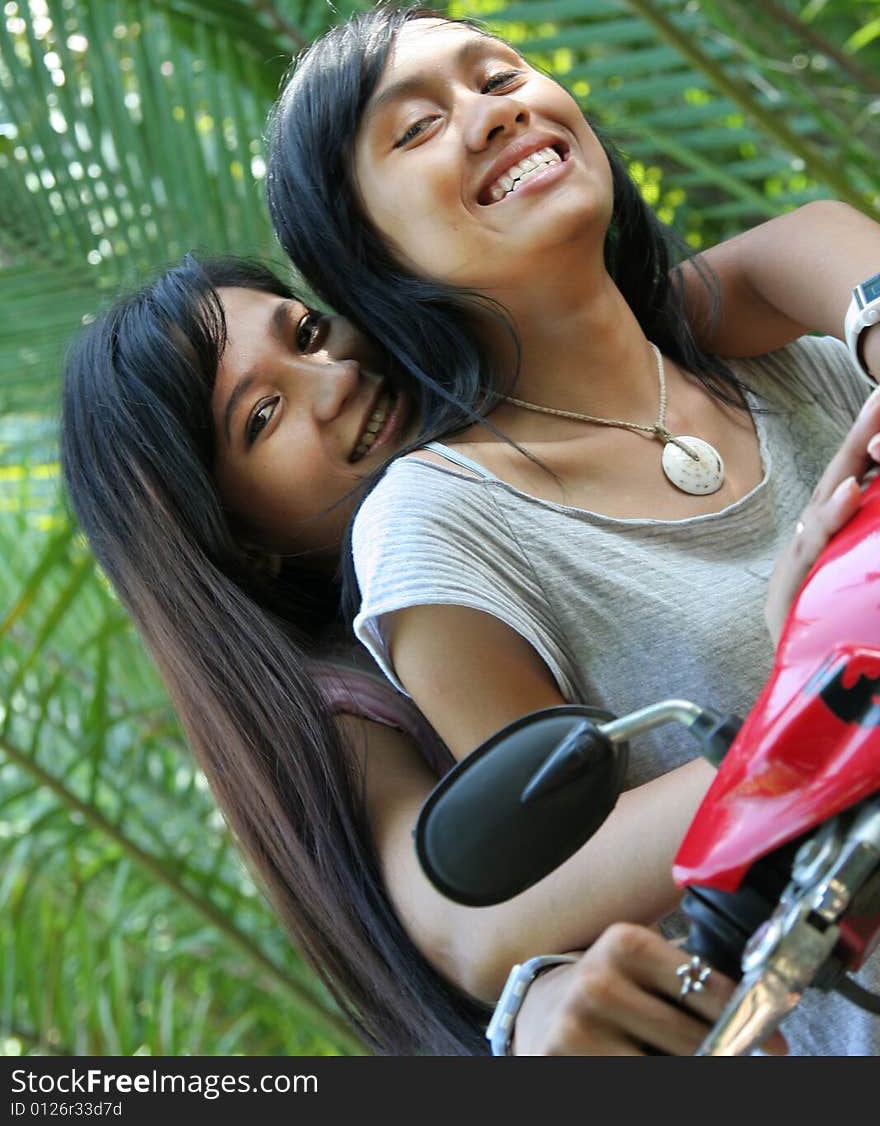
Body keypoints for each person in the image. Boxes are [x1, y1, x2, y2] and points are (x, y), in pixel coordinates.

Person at [59, 250, 875, 1056]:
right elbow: (469, 928)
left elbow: (775, 256)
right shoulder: (341, 701)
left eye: (307, 333)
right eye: (262, 417)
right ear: (238, 542)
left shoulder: (545, 401)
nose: (333, 378)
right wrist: (820, 708)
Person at [262, 0, 880, 1054]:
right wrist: (805, 668)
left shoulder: (810, 353)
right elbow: (568, 884)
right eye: (413, 128)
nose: (489, 113)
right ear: (369, 258)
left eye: (498, 76)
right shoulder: (440, 522)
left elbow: (819, 246)